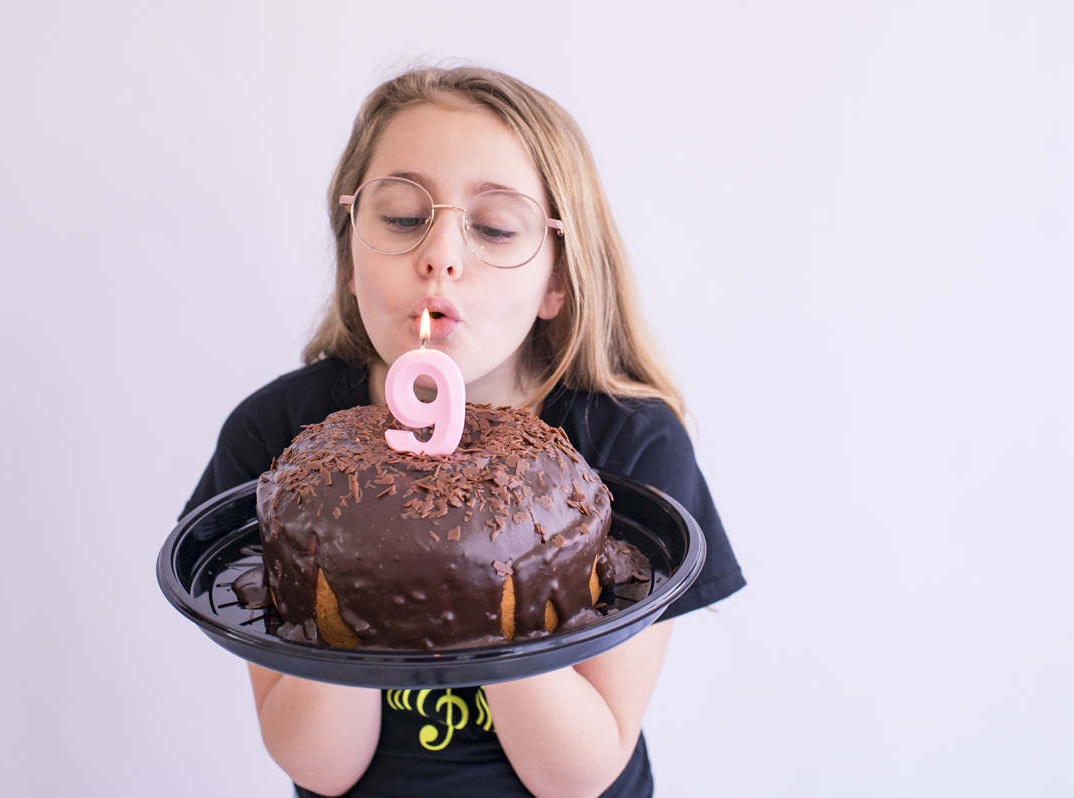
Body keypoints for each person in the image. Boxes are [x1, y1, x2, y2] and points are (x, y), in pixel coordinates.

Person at [183, 65, 745, 798]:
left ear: (558, 282)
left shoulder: (629, 447)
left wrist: (492, 540)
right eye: (403, 216)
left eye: (495, 226)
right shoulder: (284, 439)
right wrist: (350, 542)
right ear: (351, 254)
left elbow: (577, 774)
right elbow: (319, 763)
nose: (440, 256)